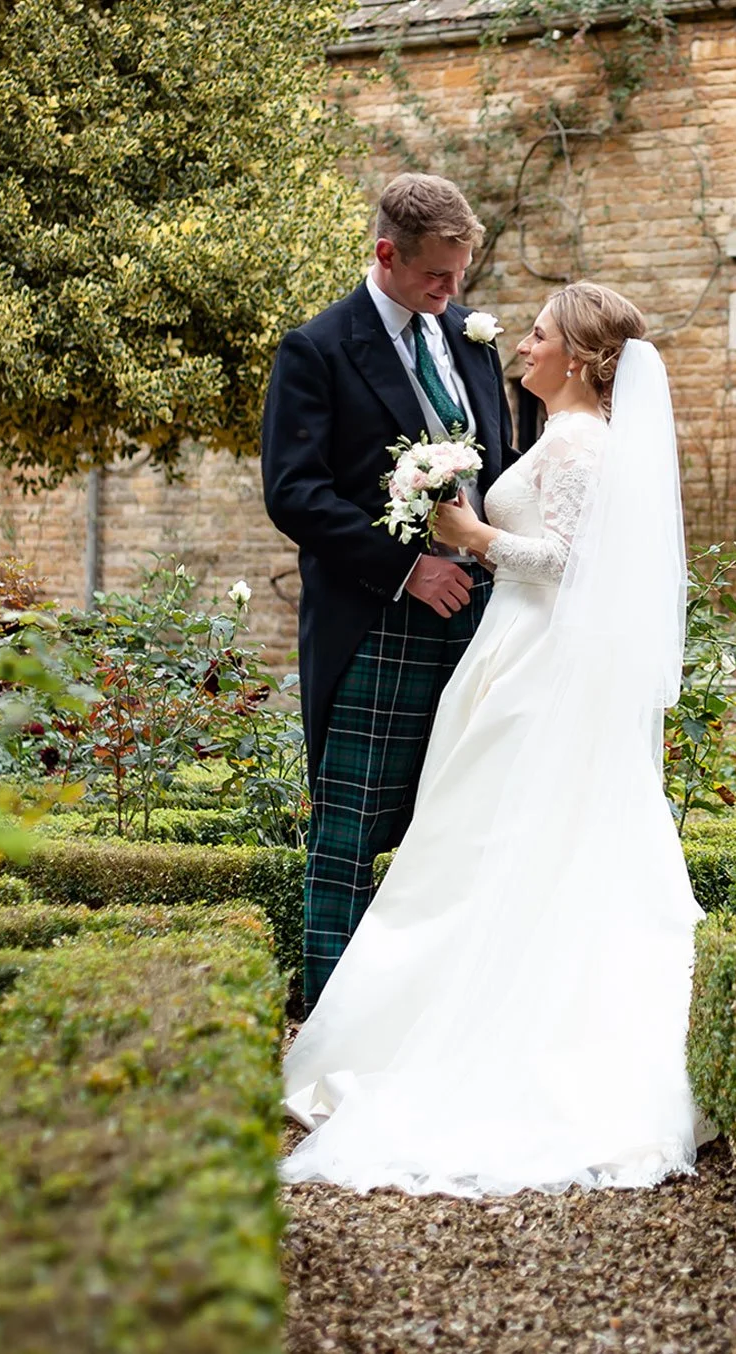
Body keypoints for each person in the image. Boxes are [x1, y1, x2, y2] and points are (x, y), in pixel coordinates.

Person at [281, 282, 712, 1198]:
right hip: (516, 651)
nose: (523, 345)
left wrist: (473, 534)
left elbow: (569, 563)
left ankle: (488, 1041)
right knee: (485, 848)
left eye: (541, 335)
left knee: (501, 846)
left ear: (582, 358)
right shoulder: (563, 438)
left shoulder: (584, 444)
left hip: (540, 665)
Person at [261, 174, 517, 1013]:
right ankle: (335, 1014)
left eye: (460, 276)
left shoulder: (471, 343)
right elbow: (295, 493)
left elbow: (502, 473)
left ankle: (433, 1007)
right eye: (436, 278)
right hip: (380, 617)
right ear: (385, 255)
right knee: (351, 825)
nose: (451, 295)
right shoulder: (319, 349)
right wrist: (408, 568)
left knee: (462, 816)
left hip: (484, 616)